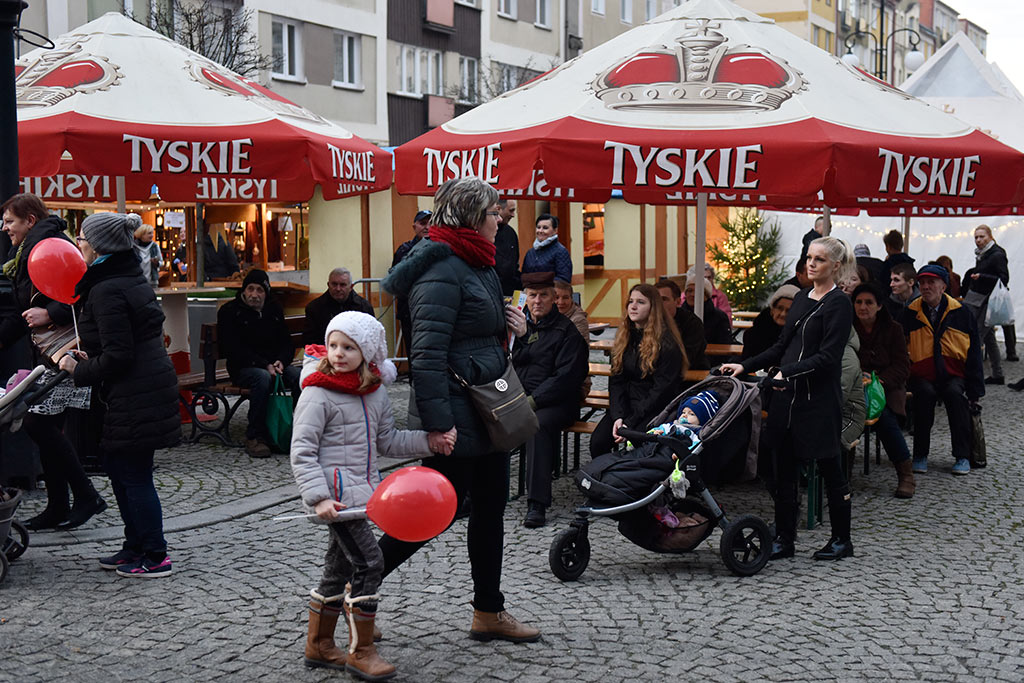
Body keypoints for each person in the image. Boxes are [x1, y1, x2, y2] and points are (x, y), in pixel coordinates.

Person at [380, 177, 540, 643]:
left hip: (486, 408)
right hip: (455, 413)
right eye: (495, 212)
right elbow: (426, 354)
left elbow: (481, 337)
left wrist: (517, 328)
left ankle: (488, 611)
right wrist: (437, 425)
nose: (501, 218)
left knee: (491, 510)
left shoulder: (479, 262)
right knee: (433, 511)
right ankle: (351, 586)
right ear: (472, 216)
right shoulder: (441, 268)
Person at [290, 311, 444, 679]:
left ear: (368, 353)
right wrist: (319, 498)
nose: (338, 353)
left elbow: (388, 439)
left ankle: (319, 645)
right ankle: (361, 650)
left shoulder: (373, 393)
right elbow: (302, 451)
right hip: (338, 503)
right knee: (371, 562)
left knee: (337, 569)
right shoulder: (317, 391)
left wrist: (429, 441)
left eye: (349, 347)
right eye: (333, 344)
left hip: (363, 498)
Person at [58, 212, 180, 577]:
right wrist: (90, 356)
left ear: (98, 246)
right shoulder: (123, 278)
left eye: (81, 238)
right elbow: (122, 343)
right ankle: (135, 546)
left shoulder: (108, 287)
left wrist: (76, 369)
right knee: (120, 469)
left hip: (136, 392)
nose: (77, 244)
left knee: (134, 473)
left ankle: (155, 555)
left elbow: (120, 355)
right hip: (139, 388)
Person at [721, 237, 856, 562]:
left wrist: (788, 372)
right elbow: (781, 345)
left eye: (820, 259)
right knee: (781, 468)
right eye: (809, 257)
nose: (811, 264)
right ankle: (784, 537)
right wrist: (746, 364)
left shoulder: (839, 304)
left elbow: (828, 357)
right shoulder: (800, 298)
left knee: (830, 468)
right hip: (786, 397)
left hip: (818, 401)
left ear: (835, 266)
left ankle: (842, 539)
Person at [0, 193, 105, 531]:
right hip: (49, 352)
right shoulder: (26, 252)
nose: (4, 228)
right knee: (42, 425)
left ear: (30, 220)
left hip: (68, 350)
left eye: (10, 221)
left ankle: (86, 496)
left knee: (37, 424)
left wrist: (51, 312)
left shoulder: (53, 246)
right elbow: (23, 313)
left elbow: (80, 294)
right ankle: (59, 505)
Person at [511, 272, 588, 529]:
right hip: (522, 399)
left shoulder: (568, 332)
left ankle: (537, 503)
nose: (537, 301)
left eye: (543, 295)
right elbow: (512, 364)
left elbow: (565, 379)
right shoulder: (523, 329)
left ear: (554, 298)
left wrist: (532, 401)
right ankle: (473, 493)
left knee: (537, 425)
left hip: (559, 403)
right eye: (532, 295)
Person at [902, 264, 984, 476]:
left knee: (956, 396)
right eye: (923, 283)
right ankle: (920, 454)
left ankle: (962, 455)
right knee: (924, 397)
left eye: (931, 282)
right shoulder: (911, 312)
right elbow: (901, 347)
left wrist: (975, 390)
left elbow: (974, 351)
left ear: (943, 286)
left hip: (953, 373)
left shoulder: (961, 312)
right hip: (922, 373)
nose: (926, 287)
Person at [590, 283, 687, 457]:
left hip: (654, 409)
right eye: (631, 301)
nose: (633, 306)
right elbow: (616, 381)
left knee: (639, 447)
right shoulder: (624, 338)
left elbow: (661, 391)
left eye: (641, 302)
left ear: (653, 308)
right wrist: (618, 416)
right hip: (626, 406)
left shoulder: (667, 344)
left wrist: (630, 421)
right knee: (598, 442)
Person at [217, 268, 301, 458]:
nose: (254, 294)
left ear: (266, 292)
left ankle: (299, 430)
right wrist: (264, 364)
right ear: (244, 291)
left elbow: (286, 342)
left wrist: (281, 361)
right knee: (262, 379)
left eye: (259, 290)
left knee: (298, 376)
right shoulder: (230, 311)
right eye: (251, 289)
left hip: (273, 363)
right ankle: (255, 435)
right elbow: (233, 348)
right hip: (244, 367)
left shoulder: (274, 309)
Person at [851, 283, 915, 498]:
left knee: (884, 418)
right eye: (858, 302)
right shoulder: (847, 328)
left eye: (869, 302)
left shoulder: (893, 328)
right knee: (843, 416)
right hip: (852, 387)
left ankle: (905, 475)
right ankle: (840, 472)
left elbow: (902, 366)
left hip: (886, 388)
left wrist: (877, 381)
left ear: (879, 306)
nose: (863, 307)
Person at [962, 225, 1009, 386]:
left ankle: (972, 376)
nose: (978, 240)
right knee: (989, 338)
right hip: (979, 299)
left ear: (990, 236)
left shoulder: (996, 254)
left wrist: (982, 276)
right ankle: (997, 374)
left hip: (987, 301)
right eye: (976, 237)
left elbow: (1004, 278)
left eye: (982, 236)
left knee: (977, 338)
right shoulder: (983, 254)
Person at [391, 210, 432, 345]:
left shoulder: (440, 248)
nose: (427, 227)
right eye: (422, 223)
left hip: (432, 310)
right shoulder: (404, 250)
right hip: (409, 310)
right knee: (412, 350)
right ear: (414, 226)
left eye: (430, 223)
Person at [304, 267, 374, 345]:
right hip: (325, 354)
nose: (338, 289)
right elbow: (310, 341)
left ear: (351, 287)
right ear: (328, 285)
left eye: (342, 285)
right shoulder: (314, 309)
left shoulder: (364, 307)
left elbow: (372, 337)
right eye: (334, 284)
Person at [655, 278, 708, 370]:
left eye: (664, 299)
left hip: (688, 374)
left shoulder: (692, 323)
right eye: (655, 299)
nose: (659, 303)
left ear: (678, 302)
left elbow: (687, 357)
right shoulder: (647, 320)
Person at [553, 279, 592, 399]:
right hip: (552, 378)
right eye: (556, 297)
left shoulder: (578, 320)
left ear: (571, 299)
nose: (561, 302)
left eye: (565, 297)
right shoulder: (548, 316)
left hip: (576, 382)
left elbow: (575, 356)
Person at [741, 284, 798, 361]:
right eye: (780, 308)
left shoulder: (800, 336)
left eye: (789, 310)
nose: (783, 314)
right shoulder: (754, 334)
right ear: (772, 310)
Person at [521, 214, 572, 284]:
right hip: (531, 293)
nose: (540, 231)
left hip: (550, 294)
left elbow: (563, 279)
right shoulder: (530, 253)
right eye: (538, 227)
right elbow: (524, 277)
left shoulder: (561, 251)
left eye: (545, 228)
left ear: (555, 230)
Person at [682, 274, 731, 345]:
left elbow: (725, 344)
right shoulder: (678, 315)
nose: (692, 294)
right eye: (689, 291)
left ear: (707, 296)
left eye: (698, 291)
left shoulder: (719, 317)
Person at [493, 198, 521, 297]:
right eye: (511, 210)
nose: (513, 215)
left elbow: (514, 266)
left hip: (510, 293)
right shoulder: (486, 232)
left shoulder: (511, 233)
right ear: (499, 209)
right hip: (493, 292)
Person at [880, 229, 914, 297]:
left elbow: (883, 283)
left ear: (888, 246)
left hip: (892, 298)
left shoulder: (888, 264)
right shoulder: (909, 262)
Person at [133, 223, 162, 287]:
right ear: (142, 235)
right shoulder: (134, 247)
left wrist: (156, 263)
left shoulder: (155, 246)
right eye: (149, 233)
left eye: (152, 233)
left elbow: (161, 262)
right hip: (137, 282)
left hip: (152, 282)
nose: (152, 235)